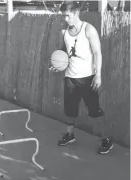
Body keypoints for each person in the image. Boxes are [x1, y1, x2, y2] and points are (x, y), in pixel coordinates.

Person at [49, 2, 109, 154]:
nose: (66, 19)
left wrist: (98, 75)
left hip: (88, 78)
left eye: (68, 16)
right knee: (69, 111)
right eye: (64, 16)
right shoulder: (64, 32)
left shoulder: (88, 30)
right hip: (70, 77)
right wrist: (58, 63)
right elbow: (64, 50)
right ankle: (70, 135)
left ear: (76, 13)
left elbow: (97, 53)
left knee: (95, 112)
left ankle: (106, 140)